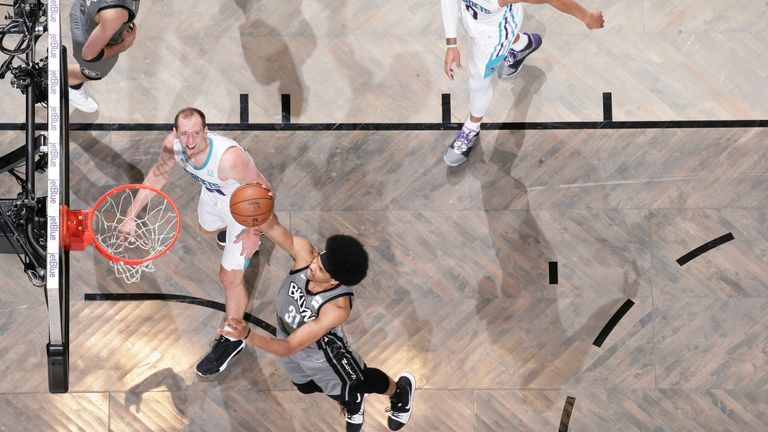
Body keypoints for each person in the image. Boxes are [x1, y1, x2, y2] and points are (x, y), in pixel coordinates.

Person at [220, 216, 416, 432]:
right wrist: (257, 208)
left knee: (355, 383)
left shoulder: (337, 308)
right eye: (319, 259)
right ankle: (350, 395)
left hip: (322, 353)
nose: (313, 265)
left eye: (321, 270)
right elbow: (273, 225)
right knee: (304, 387)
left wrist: (248, 335)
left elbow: (289, 348)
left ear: (335, 281)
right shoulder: (305, 254)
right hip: (286, 335)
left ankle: (398, 392)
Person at [120, 107, 270, 377]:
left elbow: (262, 189)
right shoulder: (174, 146)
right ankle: (230, 237)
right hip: (215, 195)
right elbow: (156, 177)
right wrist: (131, 215)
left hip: (245, 205)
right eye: (184, 134)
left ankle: (234, 339)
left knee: (229, 278)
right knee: (204, 228)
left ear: (206, 131)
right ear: (175, 132)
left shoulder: (230, 159)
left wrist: (252, 232)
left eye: (196, 134)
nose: (190, 142)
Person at [441, 0, 605, 166]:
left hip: (495, 35)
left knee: (478, 82)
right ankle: (522, 44)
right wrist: (451, 43)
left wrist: (587, 17)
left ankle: (471, 127)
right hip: (478, 18)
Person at [68, 0, 140, 112]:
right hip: (87, 38)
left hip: (83, 9)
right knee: (97, 71)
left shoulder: (114, 13)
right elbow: (89, 55)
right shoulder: (115, 14)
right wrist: (125, 44)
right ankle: (63, 80)